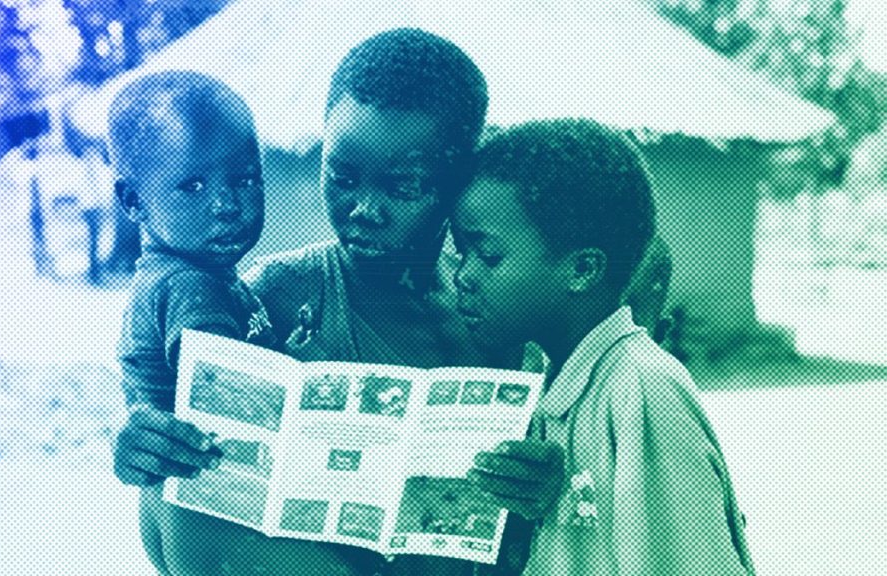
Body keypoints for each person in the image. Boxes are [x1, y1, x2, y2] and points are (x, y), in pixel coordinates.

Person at [113, 29, 556, 576]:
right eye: (342, 178)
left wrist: (545, 481)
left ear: (458, 177)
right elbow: (192, 502)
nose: (364, 210)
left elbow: (567, 481)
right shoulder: (275, 299)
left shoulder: (502, 305)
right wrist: (144, 440)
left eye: (403, 187)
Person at [454, 119, 756, 575]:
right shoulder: (556, 385)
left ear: (582, 270)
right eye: (462, 254)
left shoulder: (641, 389)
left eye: (489, 256)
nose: (464, 276)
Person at [108, 70, 280, 573]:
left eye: (245, 179)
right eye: (194, 185)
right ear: (133, 201)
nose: (227, 206)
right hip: (210, 505)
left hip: (171, 504)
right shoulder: (191, 287)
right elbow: (235, 397)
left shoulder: (171, 275)